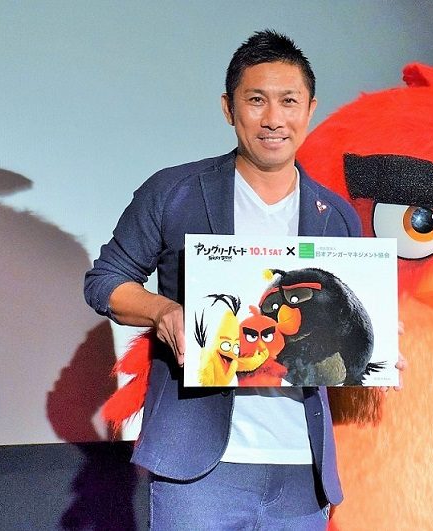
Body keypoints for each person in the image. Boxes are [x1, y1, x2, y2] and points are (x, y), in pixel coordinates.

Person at [85, 30, 365, 530]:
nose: (273, 118)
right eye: (256, 101)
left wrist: (376, 340)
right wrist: (164, 312)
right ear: (228, 108)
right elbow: (105, 280)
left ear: (310, 110)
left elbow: (343, 329)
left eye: (289, 101)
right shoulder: (174, 192)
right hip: (199, 467)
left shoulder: (336, 215)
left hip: (303, 469)